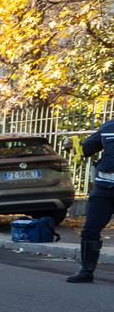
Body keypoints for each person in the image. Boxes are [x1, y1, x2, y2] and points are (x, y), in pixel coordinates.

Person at [64, 120, 114, 282]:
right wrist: (71, 145)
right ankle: (85, 271)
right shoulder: (108, 127)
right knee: (90, 229)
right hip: (104, 189)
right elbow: (84, 151)